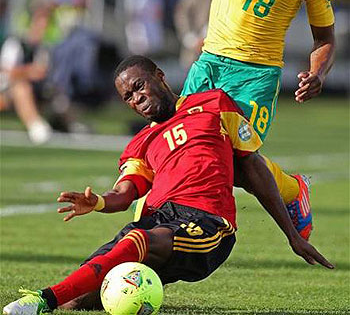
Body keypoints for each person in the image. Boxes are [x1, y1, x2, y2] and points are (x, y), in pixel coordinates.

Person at [3, 56, 334, 315]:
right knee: (80, 297)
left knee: (138, 239)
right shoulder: (141, 142)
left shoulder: (214, 105)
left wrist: (292, 234)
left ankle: (41, 299)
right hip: (157, 221)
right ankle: (67, 298)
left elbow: (253, 167)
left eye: (139, 86)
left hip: (207, 223)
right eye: (128, 97)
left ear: (159, 76)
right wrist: (100, 203)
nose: (137, 99)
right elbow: (125, 192)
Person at [182, 0, 336, 240]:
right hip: (210, 61)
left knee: (240, 165)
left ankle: (294, 190)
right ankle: (149, 225)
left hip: (256, 74)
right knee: (180, 147)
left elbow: (324, 38)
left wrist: (318, 73)